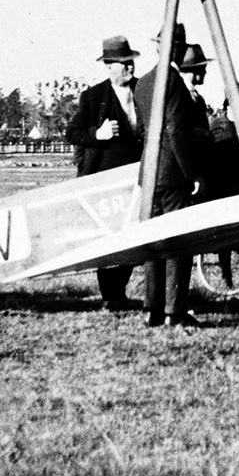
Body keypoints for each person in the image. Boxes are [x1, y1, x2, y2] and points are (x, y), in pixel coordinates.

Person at [134, 28, 210, 330]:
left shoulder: (143, 82)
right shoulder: (175, 82)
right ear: (179, 50)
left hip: (149, 172)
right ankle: (174, 312)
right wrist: (190, 173)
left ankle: (151, 309)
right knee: (179, 242)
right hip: (173, 173)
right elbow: (176, 132)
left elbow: (145, 131)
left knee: (153, 242)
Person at [65, 35, 143, 310]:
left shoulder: (144, 90)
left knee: (135, 238)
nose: (130, 67)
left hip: (138, 180)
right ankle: (111, 296)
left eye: (130, 61)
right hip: (105, 183)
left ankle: (117, 292)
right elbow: (71, 132)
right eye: (124, 63)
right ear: (109, 66)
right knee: (110, 239)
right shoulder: (93, 97)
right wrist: (97, 134)